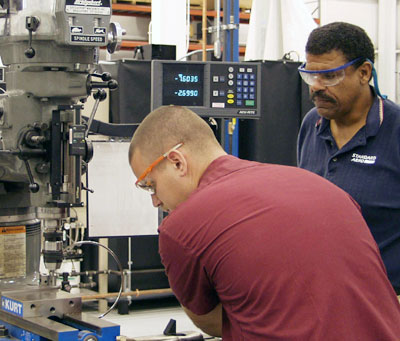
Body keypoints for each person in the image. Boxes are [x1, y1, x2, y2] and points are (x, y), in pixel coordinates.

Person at [129, 105, 400, 340]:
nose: (155, 200)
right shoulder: (319, 185)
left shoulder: (181, 228)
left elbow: (212, 322)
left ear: (176, 162)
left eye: (150, 185)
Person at [297, 22, 400, 293]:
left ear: (364, 72)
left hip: (386, 304)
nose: (316, 87)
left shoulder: (395, 132)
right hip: (322, 297)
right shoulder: (312, 124)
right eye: (310, 76)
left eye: (329, 77)